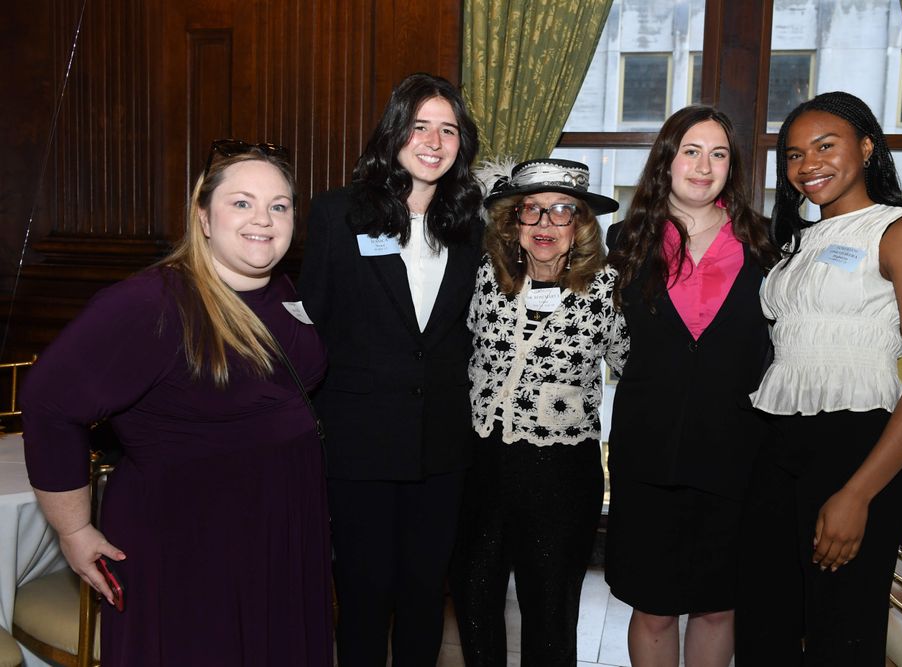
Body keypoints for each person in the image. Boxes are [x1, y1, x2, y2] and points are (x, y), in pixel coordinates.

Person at [21, 140, 333, 666]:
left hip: (281, 534)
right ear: (203, 217)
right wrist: (73, 530)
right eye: (242, 202)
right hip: (190, 545)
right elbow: (49, 402)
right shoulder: (152, 303)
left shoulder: (279, 289)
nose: (263, 219)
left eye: (279, 206)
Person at [737, 91, 902, 666]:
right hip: (779, 439)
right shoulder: (797, 242)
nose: (807, 164)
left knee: (840, 634)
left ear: (866, 147)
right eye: (794, 154)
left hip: (861, 443)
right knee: (763, 625)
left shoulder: (900, 230)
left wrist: (858, 493)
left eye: (825, 146)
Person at [296, 72, 483, 666]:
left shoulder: (470, 226)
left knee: (426, 595)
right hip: (359, 443)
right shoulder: (338, 214)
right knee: (363, 594)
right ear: (394, 132)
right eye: (420, 126)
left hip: (442, 445)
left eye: (447, 130)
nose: (433, 141)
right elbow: (310, 325)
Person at [603, 105, 780, 667]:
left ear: (732, 167)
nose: (704, 167)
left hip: (736, 453)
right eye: (692, 152)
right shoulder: (625, 240)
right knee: (653, 608)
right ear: (667, 160)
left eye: (719, 154)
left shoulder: (766, 242)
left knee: (717, 607)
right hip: (647, 453)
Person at [448, 158, 627, 665]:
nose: (546, 223)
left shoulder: (608, 290)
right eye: (532, 210)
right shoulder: (486, 277)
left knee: (549, 610)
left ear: (581, 224)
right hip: (482, 465)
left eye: (561, 210)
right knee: (474, 593)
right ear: (514, 222)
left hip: (561, 474)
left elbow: (637, 367)